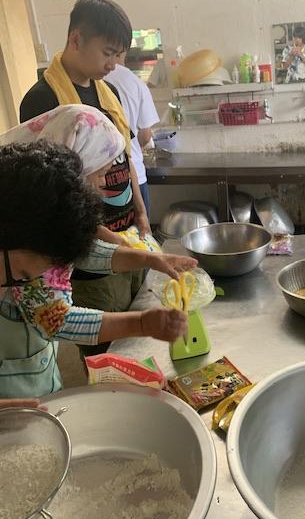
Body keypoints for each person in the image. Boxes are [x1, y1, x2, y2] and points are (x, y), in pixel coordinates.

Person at [0, 109, 196, 397]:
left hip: (39, 389)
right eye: (24, 275)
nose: (105, 183)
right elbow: (57, 319)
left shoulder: (38, 236)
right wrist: (140, 323)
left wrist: (150, 259)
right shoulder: (30, 237)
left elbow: (88, 254)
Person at [19, 0, 151, 356]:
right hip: (91, 255)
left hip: (127, 236)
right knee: (107, 350)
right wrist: (112, 241)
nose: (113, 64)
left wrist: (141, 214)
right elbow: (54, 194)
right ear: (76, 39)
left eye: (118, 55)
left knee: (138, 338)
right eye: (108, 53)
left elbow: (124, 155)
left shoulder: (108, 93)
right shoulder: (43, 100)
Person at [106, 51, 159, 217]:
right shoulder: (136, 83)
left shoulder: (91, 80)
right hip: (133, 170)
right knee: (140, 229)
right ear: (124, 52)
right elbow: (145, 135)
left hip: (101, 179)